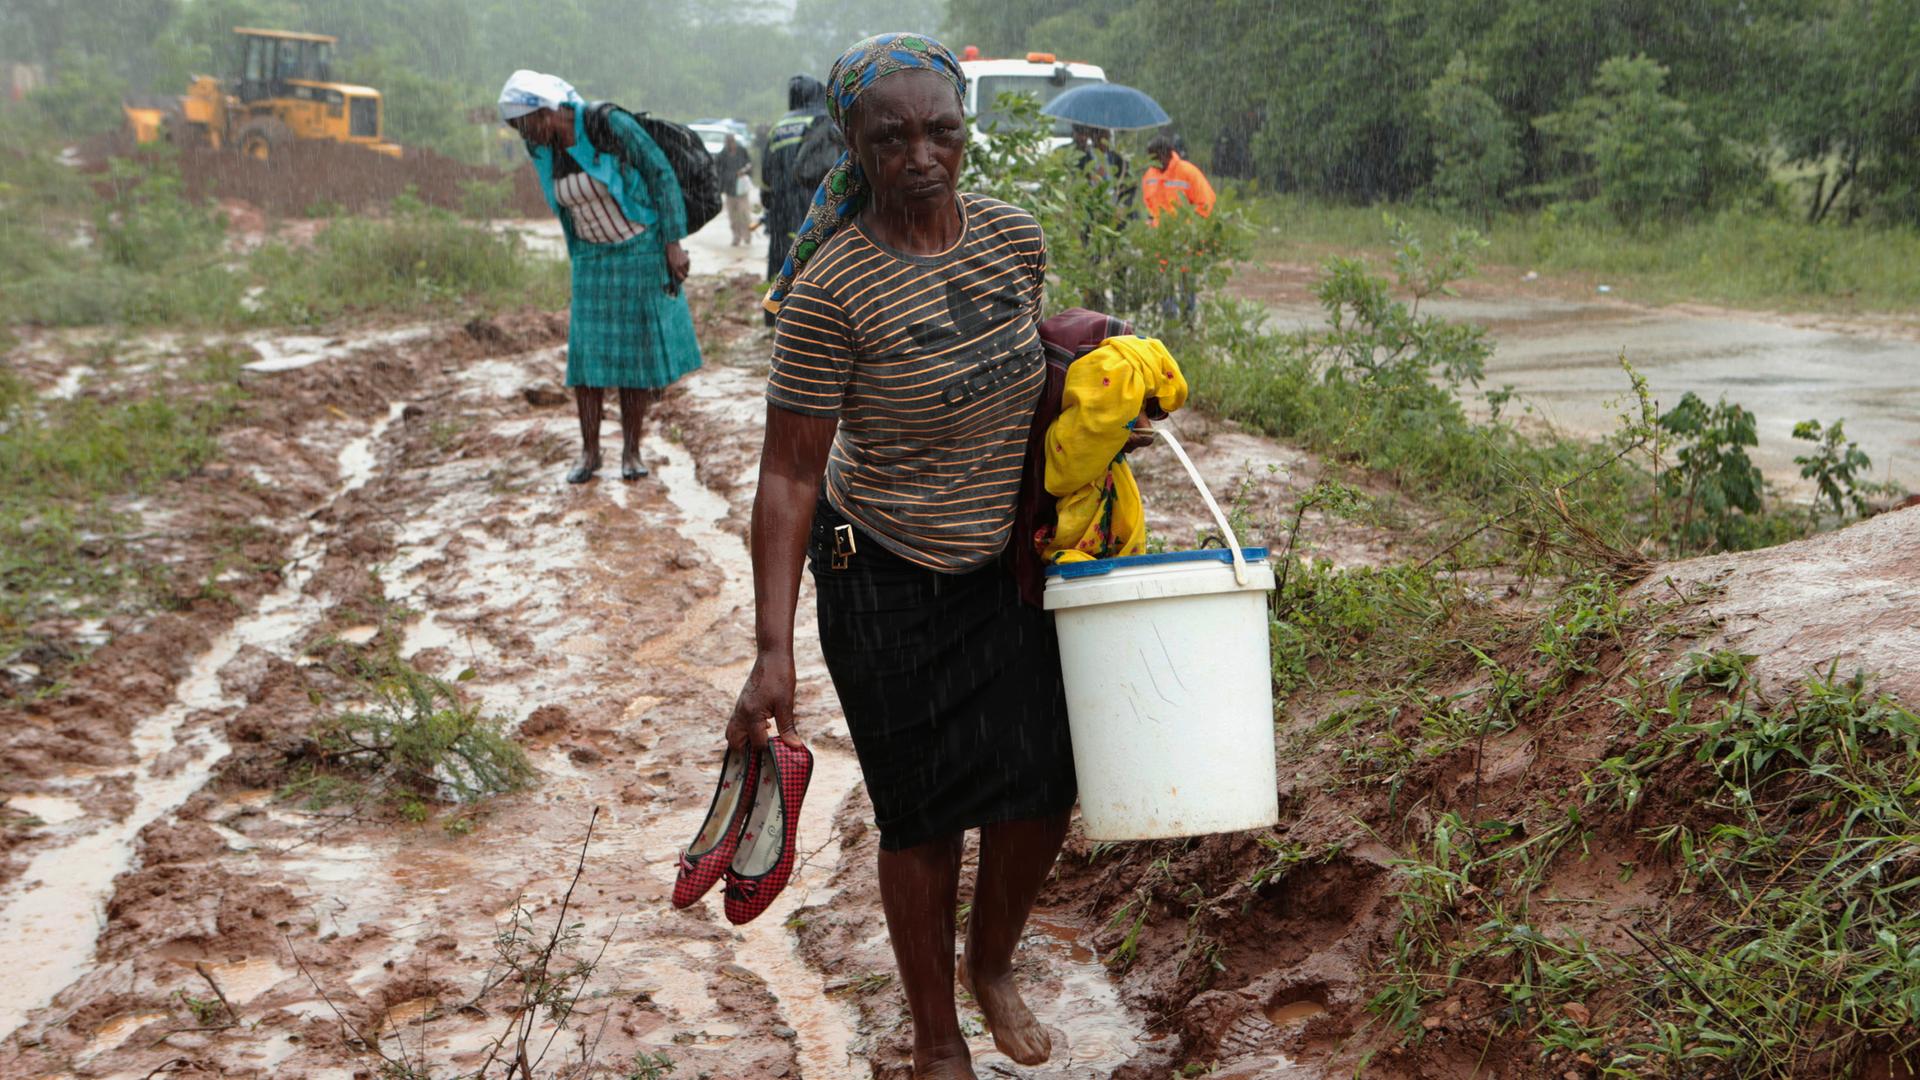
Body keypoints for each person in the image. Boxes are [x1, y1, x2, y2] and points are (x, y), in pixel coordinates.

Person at [734, 33, 1074, 1080]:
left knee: (1042, 789)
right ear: (854, 144)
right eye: (893, 138)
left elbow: (1032, 364)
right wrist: (771, 650)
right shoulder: (832, 291)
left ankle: (993, 964)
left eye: (941, 131)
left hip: (1004, 564)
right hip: (880, 575)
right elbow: (789, 479)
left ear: (964, 132)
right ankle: (936, 1039)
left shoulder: (1012, 240)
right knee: (922, 818)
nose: (922, 156)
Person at [499, 70, 700, 483]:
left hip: (639, 250)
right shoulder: (543, 150)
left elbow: (660, 173)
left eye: (527, 124)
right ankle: (589, 454)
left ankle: (632, 452)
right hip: (592, 259)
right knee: (586, 361)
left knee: (635, 359)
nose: (526, 135)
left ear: (548, 111)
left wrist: (672, 243)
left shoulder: (606, 124)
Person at [761, 75, 833, 302]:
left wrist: (772, 201)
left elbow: (766, 175)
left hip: (781, 207)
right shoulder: (823, 120)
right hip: (814, 201)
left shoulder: (778, 127)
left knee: (781, 258)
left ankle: (775, 312)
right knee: (816, 258)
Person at [1142, 130, 1216, 224]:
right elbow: (1149, 208)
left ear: (1166, 154)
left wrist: (1188, 227)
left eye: (1155, 158)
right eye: (1151, 159)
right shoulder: (1149, 176)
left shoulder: (1188, 171)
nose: (1153, 163)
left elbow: (1206, 203)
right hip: (1159, 236)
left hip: (1184, 234)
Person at [716, 132, 754, 246]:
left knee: (744, 213)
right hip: (729, 189)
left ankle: (747, 236)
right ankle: (736, 236)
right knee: (733, 217)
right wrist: (732, 176)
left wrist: (745, 172)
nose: (730, 144)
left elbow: (749, 164)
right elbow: (719, 171)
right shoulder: (722, 155)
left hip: (742, 189)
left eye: (732, 141)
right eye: (728, 142)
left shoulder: (742, 151)